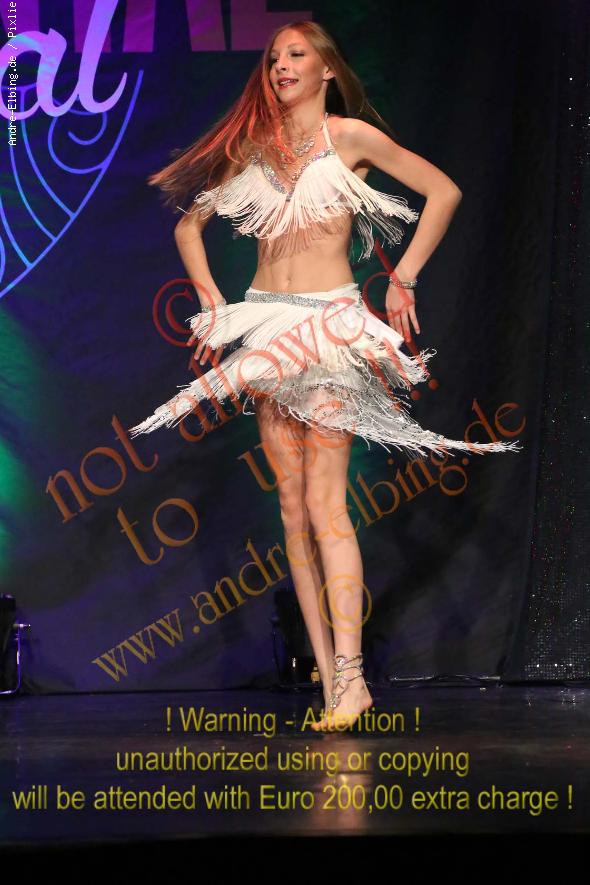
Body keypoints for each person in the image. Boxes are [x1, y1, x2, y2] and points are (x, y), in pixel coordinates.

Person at [128, 20, 522, 731]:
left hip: (330, 328)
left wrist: (403, 276)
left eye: (296, 55)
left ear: (327, 69)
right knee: (291, 508)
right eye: (274, 57)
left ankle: (351, 675)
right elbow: (189, 226)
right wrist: (212, 299)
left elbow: (443, 191)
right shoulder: (254, 147)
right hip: (267, 325)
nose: (281, 65)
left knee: (326, 504)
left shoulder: (350, 137)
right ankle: (332, 684)